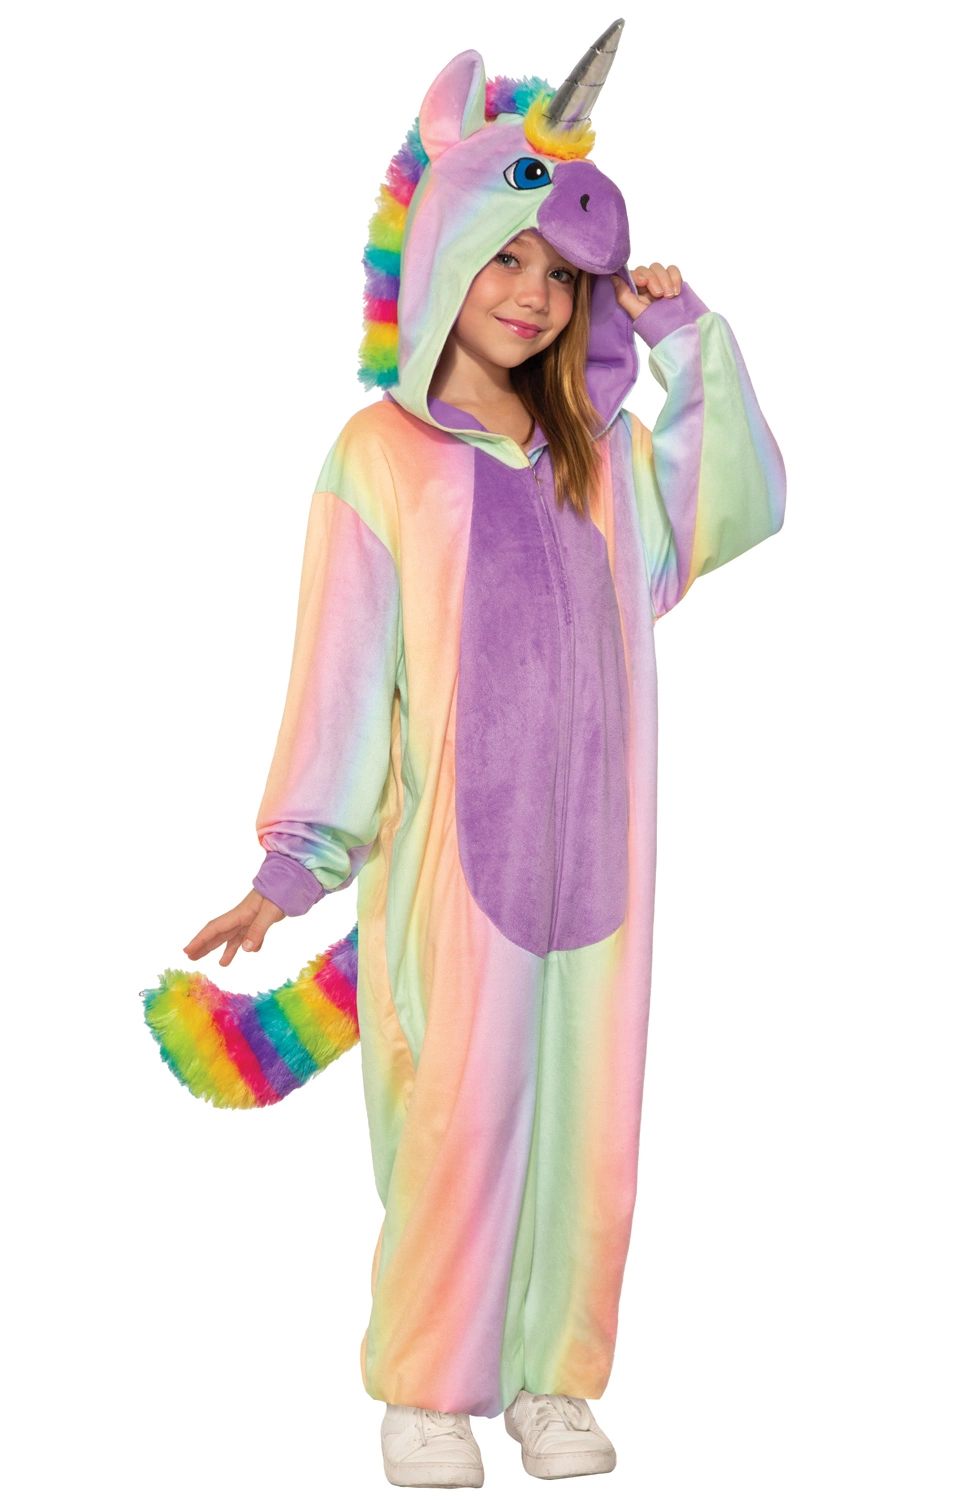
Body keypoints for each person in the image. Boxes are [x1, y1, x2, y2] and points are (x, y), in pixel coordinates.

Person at [182, 22, 786, 1489]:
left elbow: (739, 504)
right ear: (446, 254)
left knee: (590, 1134)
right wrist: (291, 865)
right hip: (452, 880)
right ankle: (429, 1386)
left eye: (558, 271)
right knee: (456, 1119)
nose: (530, 293)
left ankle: (553, 1382)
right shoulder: (380, 458)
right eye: (505, 257)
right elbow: (341, 675)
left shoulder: (603, 454)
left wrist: (685, 341)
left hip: (605, 879)